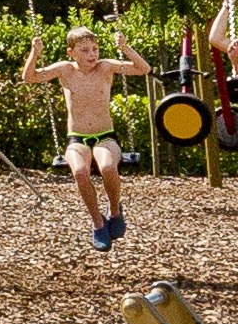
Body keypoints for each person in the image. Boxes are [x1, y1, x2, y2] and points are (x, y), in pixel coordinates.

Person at [24, 24, 153, 251]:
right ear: (71, 52)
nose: (92, 54)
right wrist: (35, 53)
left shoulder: (105, 67)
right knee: (81, 172)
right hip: (77, 137)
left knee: (107, 168)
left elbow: (144, 68)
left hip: (105, 136)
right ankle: (97, 223)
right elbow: (30, 78)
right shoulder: (65, 70)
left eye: (94, 49)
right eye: (84, 50)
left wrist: (125, 48)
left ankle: (114, 211)